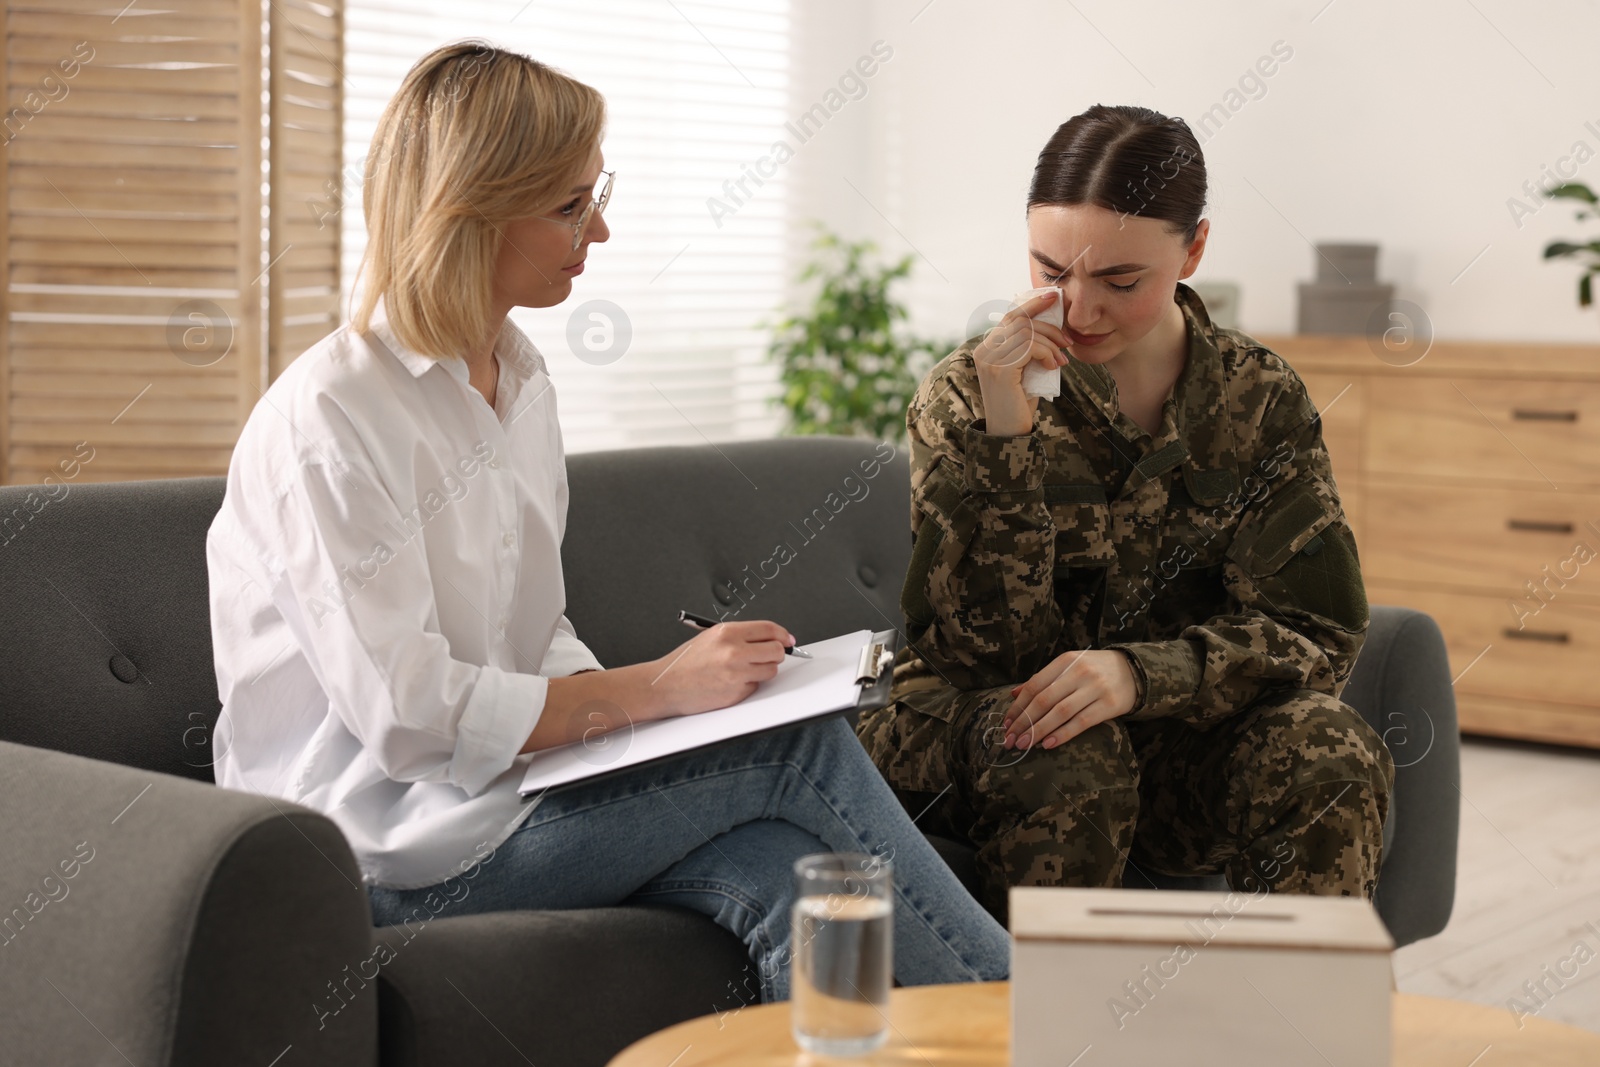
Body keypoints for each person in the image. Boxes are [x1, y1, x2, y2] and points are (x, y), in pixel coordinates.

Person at [205, 40, 1008, 1004]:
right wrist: (656, 691)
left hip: (503, 801)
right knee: (798, 748)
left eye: (596, 193)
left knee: (788, 873)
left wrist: (640, 732)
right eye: (570, 206)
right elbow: (408, 718)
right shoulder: (328, 421)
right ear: (470, 211)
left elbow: (535, 631)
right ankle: (1055, 1035)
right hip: (384, 853)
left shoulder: (519, 379)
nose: (603, 229)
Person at [855, 103, 1393, 928]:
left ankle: (1303, 1032)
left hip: (1174, 736)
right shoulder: (966, 392)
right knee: (1068, 751)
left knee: (1330, 749)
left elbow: (1317, 633)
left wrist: (1140, 674)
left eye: (1120, 281)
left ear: (1195, 251)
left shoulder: (1260, 398)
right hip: (978, 730)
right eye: (1049, 270)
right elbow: (975, 654)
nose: (1076, 310)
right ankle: (1030, 1042)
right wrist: (1009, 433)